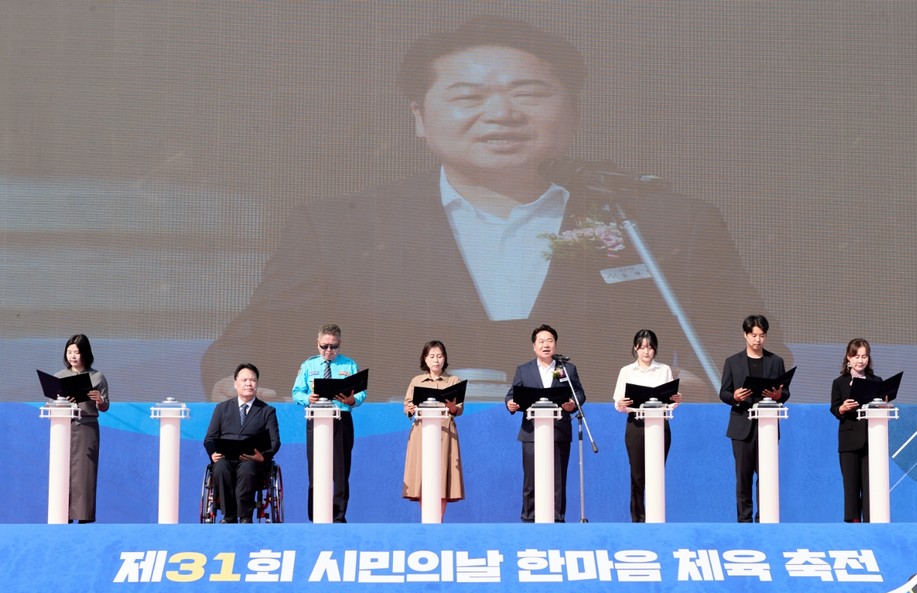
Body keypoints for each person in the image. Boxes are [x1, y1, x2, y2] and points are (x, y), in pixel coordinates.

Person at [200, 15, 790, 405]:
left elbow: (758, 356)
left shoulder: (662, 224)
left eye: (528, 93)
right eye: (468, 96)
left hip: (612, 466)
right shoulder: (342, 228)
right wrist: (238, 385)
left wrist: (709, 389)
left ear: (574, 112)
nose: (500, 114)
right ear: (419, 118)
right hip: (396, 466)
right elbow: (246, 347)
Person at [505, 324, 586, 523]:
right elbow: (511, 395)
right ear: (534, 346)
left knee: (557, 480)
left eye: (549, 341)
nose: (545, 345)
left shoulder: (567, 369)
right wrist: (510, 404)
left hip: (558, 431)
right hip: (531, 433)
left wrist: (572, 404)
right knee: (531, 480)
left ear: (555, 345)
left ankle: (557, 520)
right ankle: (529, 519)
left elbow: (580, 394)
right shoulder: (524, 370)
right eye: (541, 341)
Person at [719, 314, 790, 523]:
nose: (757, 340)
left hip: (767, 426)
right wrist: (735, 397)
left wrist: (779, 396)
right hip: (742, 426)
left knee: (766, 476)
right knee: (743, 477)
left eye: (762, 335)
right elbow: (724, 392)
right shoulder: (733, 362)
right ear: (745, 335)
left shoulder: (776, 361)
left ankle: (765, 518)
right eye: (753, 335)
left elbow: (785, 393)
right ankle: (744, 520)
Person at [292, 324, 365, 522]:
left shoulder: (349, 365)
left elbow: (360, 393)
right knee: (316, 468)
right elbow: (296, 392)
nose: (329, 351)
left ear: (339, 345)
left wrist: (352, 400)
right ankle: (316, 514)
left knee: (341, 470)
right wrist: (309, 398)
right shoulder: (309, 365)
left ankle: (339, 516)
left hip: (341, 419)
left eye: (333, 347)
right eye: (325, 346)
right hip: (316, 419)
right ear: (318, 344)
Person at [612, 329, 682, 523]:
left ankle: (656, 517)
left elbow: (670, 401)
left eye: (650, 347)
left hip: (660, 425)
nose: (646, 352)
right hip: (636, 425)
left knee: (656, 473)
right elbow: (618, 402)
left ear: (655, 349)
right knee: (637, 475)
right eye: (642, 347)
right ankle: (638, 520)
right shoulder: (626, 371)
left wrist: (676, 400)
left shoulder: (664, 370)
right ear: (635, 348)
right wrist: (622, 404)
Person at [203, 363, 281, 523]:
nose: (248, 384)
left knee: (247, 467)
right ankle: (229, 516)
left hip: (253, 460)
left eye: (252, 380)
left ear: (257, 384)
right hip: (226, 458)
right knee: (221, 467)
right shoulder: (221, 408)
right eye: (244, 380)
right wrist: (213, 453)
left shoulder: (267, 411)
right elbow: (209, 438)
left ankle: (245, 517)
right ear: (235, 384)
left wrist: (263, 457)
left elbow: (275, 442)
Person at [402, 340, 465, 520]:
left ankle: (437, 520)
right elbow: (407, 405)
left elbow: (458, 409)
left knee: (441, 478)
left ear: (445, 359)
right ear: (425, 359)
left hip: (445, 433)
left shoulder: (453, 381)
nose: (436, 360)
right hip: (422, 432)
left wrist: (452, 406)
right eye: (432, 356)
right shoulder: (417, 381)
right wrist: (411, 409)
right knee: (424, 477)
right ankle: (427, 519)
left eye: (439, 356)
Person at [54, 334, 109, 523]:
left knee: (84, 476)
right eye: (69, 352)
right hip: (63, 429)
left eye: (76, 352)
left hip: (86, 428)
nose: (73, 356)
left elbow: (105, 406)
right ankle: (62, 517)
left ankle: (84, 519)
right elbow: (50, 404)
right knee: (62, 473)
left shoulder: (97, 376)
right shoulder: (59, 377)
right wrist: (60, 403)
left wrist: (99, 400)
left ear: (85, 353)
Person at [830, 338, 880, 523]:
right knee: (850, 487)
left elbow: (881, 405)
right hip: (849, 441)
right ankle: (853, 527)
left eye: (864, 356)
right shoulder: (840, 382)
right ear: (848, 358)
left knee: (870, 487)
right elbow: (834, 408)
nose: (861, 361)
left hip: (872, 440)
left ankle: (871, 523)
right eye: (857, 356)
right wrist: (842, 408)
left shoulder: (876, 381)